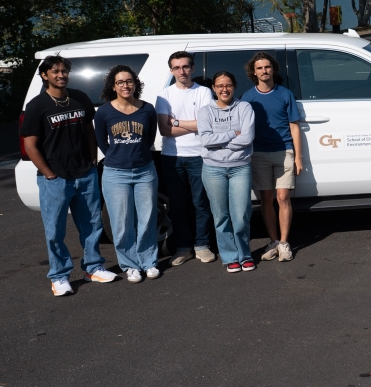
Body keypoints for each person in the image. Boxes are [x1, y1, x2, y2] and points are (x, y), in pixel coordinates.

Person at [20, 56, 116, 296]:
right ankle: (59, 276)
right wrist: (49, 174)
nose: (61, 75)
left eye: (64, 71)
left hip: (84, 174)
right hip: (56, 178)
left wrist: (93, 161)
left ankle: (93, 267)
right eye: (55, 71)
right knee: (55, 230)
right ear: (45, 75)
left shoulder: (80, 98)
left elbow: (88, 132)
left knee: (92, 225)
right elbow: (30, 145)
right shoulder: (37, 106)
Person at [95, 65, 161, 283]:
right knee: (121, 222)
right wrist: (117, 156)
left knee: (147, 219)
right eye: (120, 82)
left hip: (145, 171)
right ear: (113, 86)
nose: (125, 85)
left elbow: (149, 139)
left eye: (129, 81)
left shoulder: (147, 109)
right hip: (115, 173)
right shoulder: (104, 112)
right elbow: (102, 141)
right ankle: (130, 264)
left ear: (135, 84)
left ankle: (148, 261)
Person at [155, 51, 216, 266]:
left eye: (186, 66)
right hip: (172, 157)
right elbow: (164, 129)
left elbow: (206, 124)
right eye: (177, 67)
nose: (182, 71)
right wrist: (191, 124)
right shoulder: (164, 95)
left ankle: (202, 245)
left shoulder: (204, 92)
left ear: (193, 68)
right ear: (171, 70)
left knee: (201, 203)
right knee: (178, 204)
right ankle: (183, 247)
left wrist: (176, 122)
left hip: (200, 156)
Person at [243, 52, 303, 262]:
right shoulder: (248, 98)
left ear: (273, 69)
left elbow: (294, 127)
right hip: (258, 154)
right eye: (259, 68)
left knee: (282, 198)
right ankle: (274, 241)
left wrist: (298, 157)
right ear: (254, 72)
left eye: (267, 67)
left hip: (284, 151)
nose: (264, 71)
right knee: (266, 199)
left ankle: (285, 243)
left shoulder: (285, 94)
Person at [197, 71, 257, 273]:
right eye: (220, 86)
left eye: (228, 85)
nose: (224, 89)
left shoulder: (244, 107)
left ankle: (245, 255)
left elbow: (247, 138)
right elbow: (205, 140)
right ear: (214, 88)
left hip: (240, 167)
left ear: (234, 86)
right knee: (220, 216)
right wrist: (232, 134)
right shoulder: (205, 111)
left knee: (240, 215)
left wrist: (221, 143)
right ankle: (230, 257)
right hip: (213, 169)